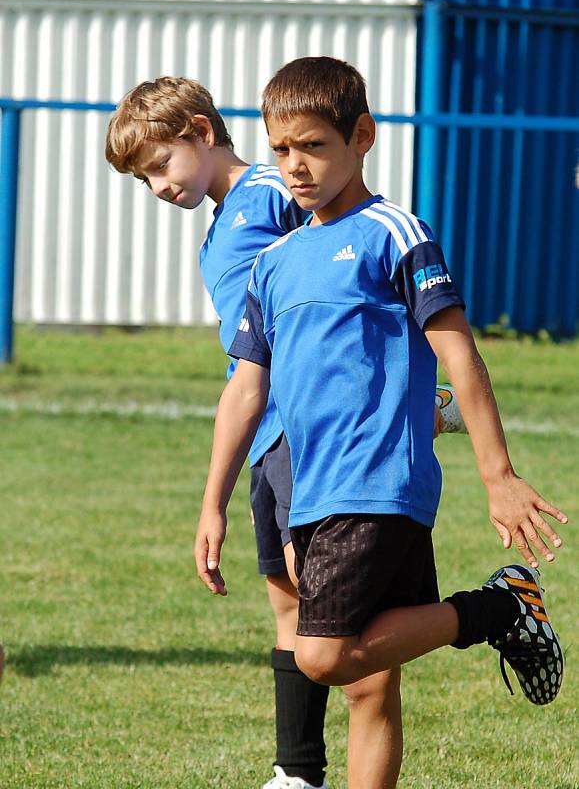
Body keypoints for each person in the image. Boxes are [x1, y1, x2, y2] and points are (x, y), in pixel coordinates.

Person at [194, 57, 567, 788]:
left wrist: (497, 475)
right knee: (372, 680)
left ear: (361, 136)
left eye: (313, 146)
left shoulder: (393, 232)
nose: (294, 167)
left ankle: (498, 606)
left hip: (377, 483)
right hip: (311, 489)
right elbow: (246, 389)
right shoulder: (272, 262)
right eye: (280, 150)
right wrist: (212, 501)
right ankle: (499, 608)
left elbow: (458, 355)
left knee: (324, 657)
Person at [105, 75, 463, 789]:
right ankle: (296, 771)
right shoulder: (226, 223)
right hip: (269, 439)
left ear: (201, 133)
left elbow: (352, 274)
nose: (156, 188)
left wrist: (412, 391)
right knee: (289, 604)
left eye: (159, 167)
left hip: (320, 442)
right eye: (141, 179)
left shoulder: (272, 186)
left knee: (348, 649)